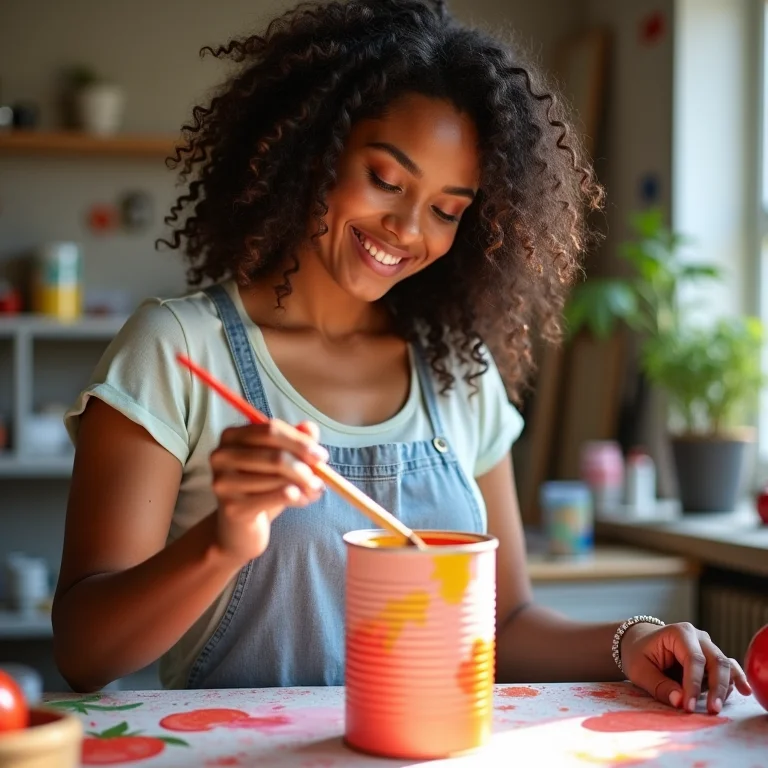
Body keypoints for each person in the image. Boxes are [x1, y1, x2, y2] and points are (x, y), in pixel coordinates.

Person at [53, 0, 752, 715]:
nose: (407, 229)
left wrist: (632, 638)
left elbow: (503, 624)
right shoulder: (175, 351)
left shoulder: (460, 369)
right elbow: (84, 655)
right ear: (311, 148)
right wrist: (222, 542)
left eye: (448, 209)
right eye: (386, 179)